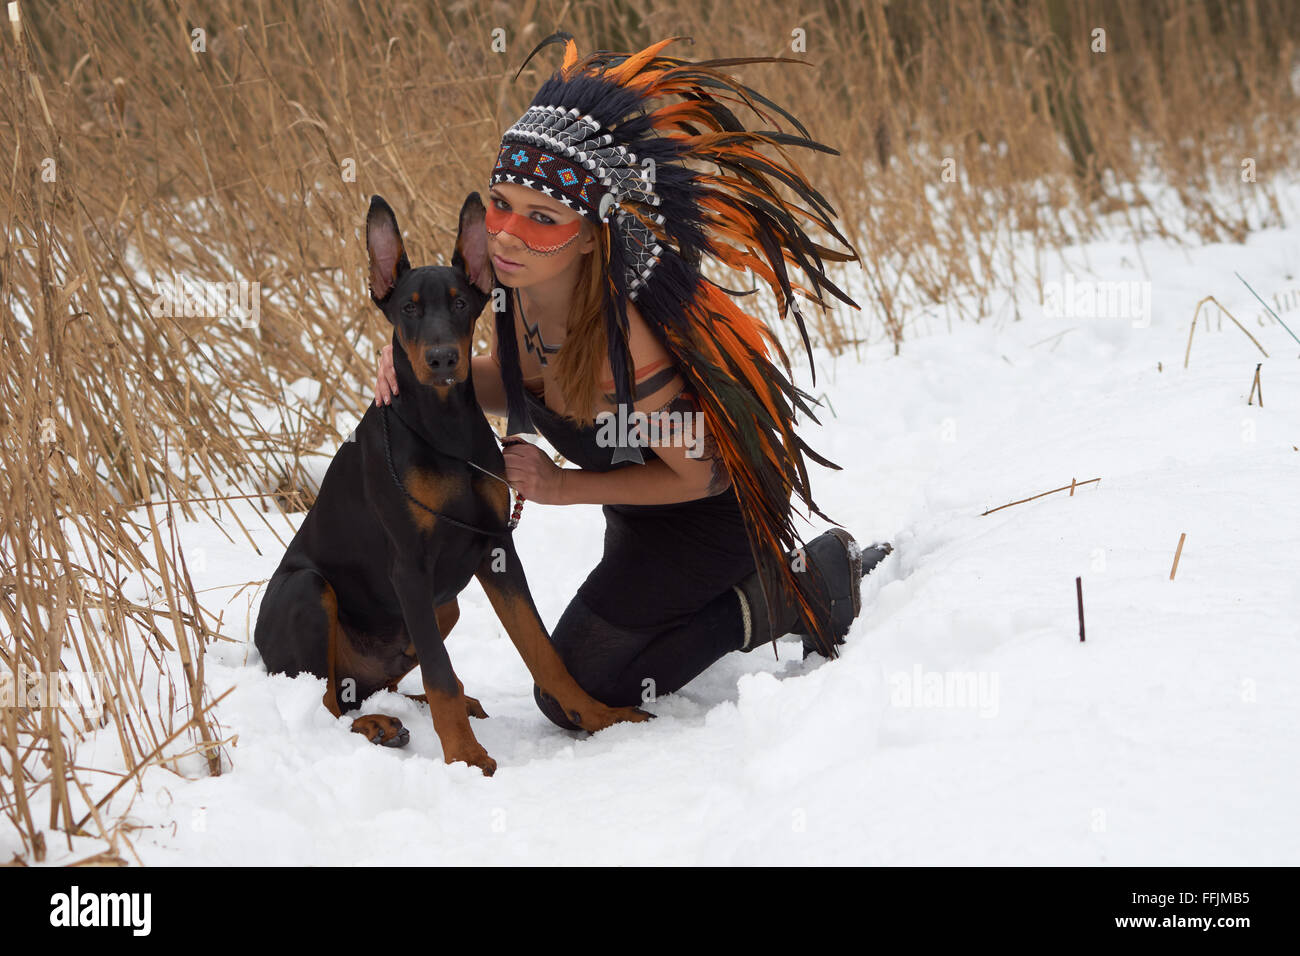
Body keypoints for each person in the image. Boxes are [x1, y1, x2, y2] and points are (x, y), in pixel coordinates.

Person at [374, 32, 891, 729]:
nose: (506, 236)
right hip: (637, 520)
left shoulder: (631, 344)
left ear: (591, 234)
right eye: (500, 203)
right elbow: (506, 384)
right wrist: (419, 369)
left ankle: (784, 593)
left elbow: (700, 475)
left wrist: (560, 487)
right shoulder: (510, 294)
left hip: (706, 523)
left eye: (542, 217)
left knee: (574, 692)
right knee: (583, 679)